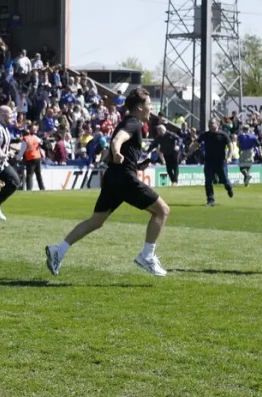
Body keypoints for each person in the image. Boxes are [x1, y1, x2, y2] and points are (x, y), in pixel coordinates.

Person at [45, 88, 169, 277]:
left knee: (96, 221)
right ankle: (147, 256)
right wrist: (118, 151)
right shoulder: (134, 124)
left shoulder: (127, 122)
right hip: (124, 178)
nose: (151, 107)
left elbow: (108, 152)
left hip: (113, 177)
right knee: (162, 210)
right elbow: (118, 140)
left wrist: (133, 162)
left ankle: (58, 250)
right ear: (140, 107)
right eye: (149, 104)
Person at [191, 119, 234, 206]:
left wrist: (229, 157)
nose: (210, 125)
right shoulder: (206, 135)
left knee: (224, 180)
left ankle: (229, 187)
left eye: (212, 123)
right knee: (208, 181)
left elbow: (230, 146)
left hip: (221, 162)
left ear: (217, 124)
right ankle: (210, 200)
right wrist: (190, 151)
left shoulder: (223, 135)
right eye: (209, 124)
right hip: (209, 162)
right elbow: (196, 143)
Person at [21, 125, 45, 190]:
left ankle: (29, 189)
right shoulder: (35, 137)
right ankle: (42, 188)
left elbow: (22, 150)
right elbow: (42, 142)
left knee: (29, 175)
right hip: (38, 157)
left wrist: (18, 157)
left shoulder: (25, 138)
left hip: (30, 158)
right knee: (39, 175)